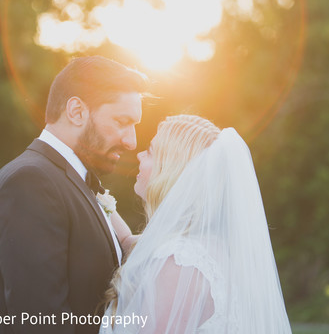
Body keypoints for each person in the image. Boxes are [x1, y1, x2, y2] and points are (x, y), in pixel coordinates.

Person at [0, 56, 147, 334]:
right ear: (76, 111)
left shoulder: (72, 179)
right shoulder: (30, 182)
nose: (131, 141)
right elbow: (40, 323)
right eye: (121, 121)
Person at [103, 115, 292, 333]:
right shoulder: (208, 246)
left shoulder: (179, 261)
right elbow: (128, 242)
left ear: (171, 170)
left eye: (150, 152)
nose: (139, 155)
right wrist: (99, 198)